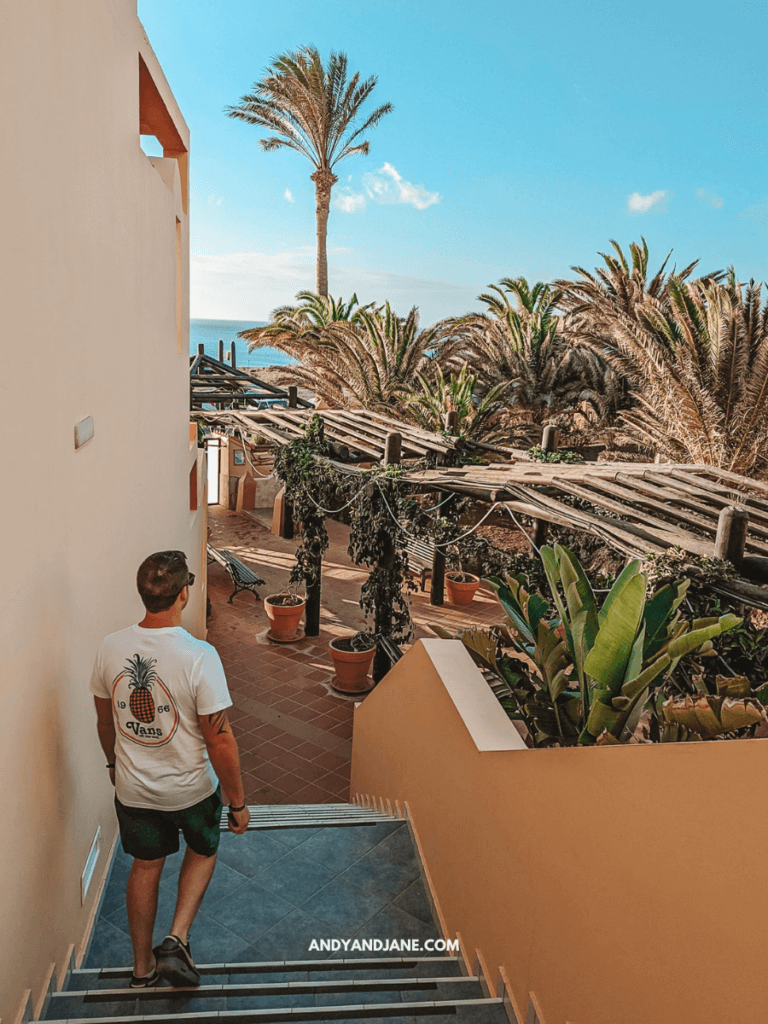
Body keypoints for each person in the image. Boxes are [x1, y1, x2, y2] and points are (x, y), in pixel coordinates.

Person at [91, 550, 251, 988]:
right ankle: (176, 938)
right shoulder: (200, 655)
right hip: (192, 790)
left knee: (145, 867)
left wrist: (112, 763)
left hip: (135, 791)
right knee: (203, 849)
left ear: (144, 595)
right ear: (182, 595)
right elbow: (219, 738)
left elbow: (105, 721)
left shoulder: (111, 648)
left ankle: (141, 971)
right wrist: (237, 803)